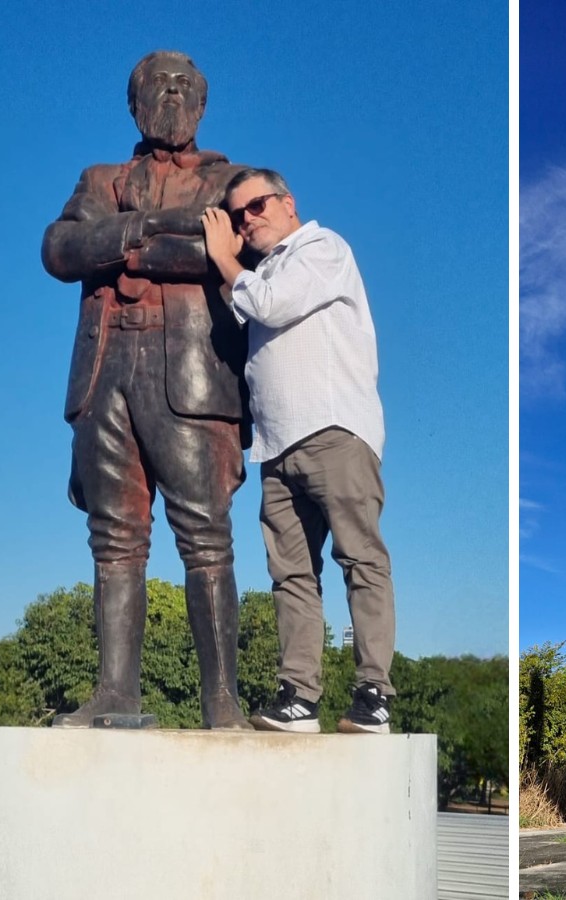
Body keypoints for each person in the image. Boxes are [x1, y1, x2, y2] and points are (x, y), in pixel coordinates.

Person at [41, 51, 252, 730]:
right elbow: (59, 250)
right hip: (104, 372)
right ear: (133, 104)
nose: (171, 93)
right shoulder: (99, 179)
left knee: (205, 535)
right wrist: (144, 229)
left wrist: (120, 247)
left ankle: (222, 700)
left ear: (202, 105)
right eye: (157, 85)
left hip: (191, 374)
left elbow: (238, 254)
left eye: (184, 86)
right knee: (114, 538)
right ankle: (115, 692)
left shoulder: (230, 181)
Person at [201, 168, 396, 735]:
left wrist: (223, 257)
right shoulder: (257, 272)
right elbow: (244, 317)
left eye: (256, 206)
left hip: (334, 428)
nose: (246, 221)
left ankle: (374, 693)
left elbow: (272, 305)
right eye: (236, 216)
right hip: (276, 445)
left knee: (360, 559)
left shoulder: (321, 246)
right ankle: (298, 697)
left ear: (288, 202)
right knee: (290, 575)